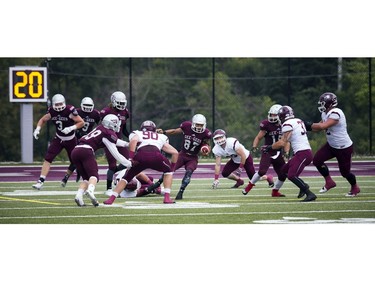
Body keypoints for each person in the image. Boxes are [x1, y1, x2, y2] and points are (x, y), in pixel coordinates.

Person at [104, 120, 178, 205]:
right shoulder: (161, 136)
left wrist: (131, 157)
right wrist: (171, 169)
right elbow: (175, 153)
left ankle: (111, 199)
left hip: (140, 156)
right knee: (168, 172)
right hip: (156, 155)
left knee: (126, 178)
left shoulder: (137, 133)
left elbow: (133, 141)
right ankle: (167, 198)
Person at [305, 92, 360, 197]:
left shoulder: (336, 113)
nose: (321, 105)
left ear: (329, 104)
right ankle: (329, 182)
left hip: (343, 147)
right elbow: (318, 127)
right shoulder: (325, 113)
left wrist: (308, 125)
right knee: (317, 160)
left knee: (345, 173)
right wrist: (305, 127)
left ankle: (355, 187)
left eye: (323, 103)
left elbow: (323, 126)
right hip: (331, 145)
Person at [70, 114, 132, 207]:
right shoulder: (107, 133)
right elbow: (116, 153)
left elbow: (116, 141)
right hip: (86, 151)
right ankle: (90, 191)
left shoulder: (100, 128)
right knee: (94, 176)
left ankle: (79, 196)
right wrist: (128, 163)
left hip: (75, 151)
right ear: (112, 124)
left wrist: (127, 144)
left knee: (86, 179)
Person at [261, 105, 317, 202]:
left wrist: (269, 147)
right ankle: (303, 186)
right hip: (301, 152)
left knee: (291, 175)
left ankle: (309, 193)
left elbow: (283, 142)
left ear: (282, 116)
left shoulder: (287, 124)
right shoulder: (297, 120)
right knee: (283, 171)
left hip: (303, 153)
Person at [32, 94, 84, 190]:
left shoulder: (69, 110)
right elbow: (43, 119)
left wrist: (71, 128)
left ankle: (66, 178)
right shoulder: (51, 111)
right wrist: (37, 129)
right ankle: (40, 181)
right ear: (53, 104)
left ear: (64, 103)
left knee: (74, 161)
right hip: (58, 139)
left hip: (71, 139)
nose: (59, 106)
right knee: (48, 158)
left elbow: (81, 122)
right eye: (57, 104)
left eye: (61, 104)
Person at [156, 113, 212, 200]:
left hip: (193, 157)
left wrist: (206, 151)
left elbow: (207, 145)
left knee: (188, 173)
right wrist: (164, 132)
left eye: (201, 125)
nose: (199, 127)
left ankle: (181, 191)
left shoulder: (206, 133)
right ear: (193, 123)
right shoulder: (186, 126)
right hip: (182, 154)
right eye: (197, 124)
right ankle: (157, 184)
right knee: (169, 170)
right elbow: (175, 131)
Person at [61, 96, 101, 187]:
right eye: (85, 105)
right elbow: (69, 121)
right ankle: (67, 177)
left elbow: (100, 125)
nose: (87, 107)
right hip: (76, 137)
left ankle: (76, 176)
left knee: (85, 159)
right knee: (75, 159)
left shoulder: (95, 114)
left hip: (88, 139)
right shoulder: (77, 112)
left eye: (89, 105)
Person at [250, 104, 289, 197]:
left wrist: (286, 152)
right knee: (262, 171)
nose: (272, 117)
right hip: (268, 150)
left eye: (275, 115)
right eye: (271, 114)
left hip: (279, 151)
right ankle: (249, 186)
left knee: (283, 174)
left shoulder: (285, 125)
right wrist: (254, 146)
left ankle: (275, 191)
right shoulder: (266, 124)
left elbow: (287, 141)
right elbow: (258, 137)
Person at [100, 91, 131, 196]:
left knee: (129, 162)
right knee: (112, 165)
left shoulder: (125, 112)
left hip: (120, 141)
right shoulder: (106, 111)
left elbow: (124, 129)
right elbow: (102, 127)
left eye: (123, 103)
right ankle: (108, 188)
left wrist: (131, 137)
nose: (122, 105)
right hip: (109, 140)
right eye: (119, 103)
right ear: (113, 101)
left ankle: (114, 172)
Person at [211, 129, 256, 194]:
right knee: (225, 173)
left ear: (224, 136)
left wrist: (240, 167)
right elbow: (218, 164)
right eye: (217, 138)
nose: (219, 140)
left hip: (246, 158)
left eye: (220, 137)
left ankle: (268, 178)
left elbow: (243, 155)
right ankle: (239, 181)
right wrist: (216, 179)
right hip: (235, 160)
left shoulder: (231, 142)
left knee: (253, 177)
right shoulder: (216, 149)